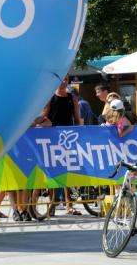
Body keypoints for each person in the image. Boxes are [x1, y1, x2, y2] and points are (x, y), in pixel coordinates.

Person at [45, 75, 82, 215]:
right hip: (53, 139)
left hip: (69, 139)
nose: (63, 82)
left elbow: (77, 118)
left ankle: (69, 205)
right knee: (53, 172)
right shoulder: (50, 97)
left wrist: (80, 135)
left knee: (68, 173)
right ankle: (52, 205)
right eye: (62, 79)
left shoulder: (71, 98)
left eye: (66, 79)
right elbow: (45, 116)